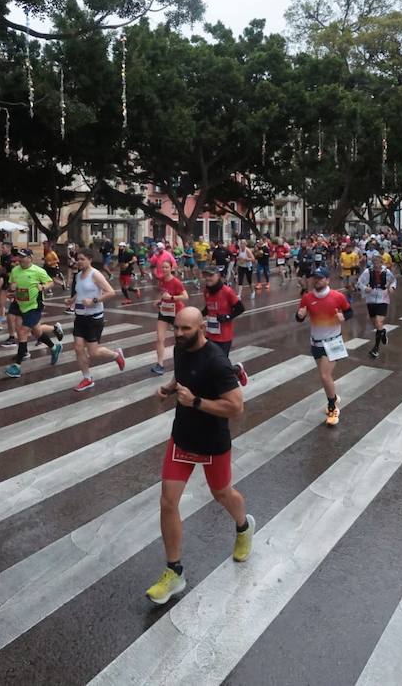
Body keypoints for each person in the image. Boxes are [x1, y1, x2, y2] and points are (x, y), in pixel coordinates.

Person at [146, 306, 254, 605]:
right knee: (168, 502)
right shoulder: (180, 349)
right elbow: (183, 377)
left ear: (202, 328)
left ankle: (244, 526)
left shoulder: (217, 362)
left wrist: (195, 402)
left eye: (186, 329)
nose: (179, 334)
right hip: (182, 437)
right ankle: (174, 571)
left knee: (222, 494)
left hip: (212, 442)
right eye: (176, 327)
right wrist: (169, 389)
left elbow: (236, 407)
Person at [296, 267, 353, 426]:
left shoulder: (337, 297)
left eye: (320, 278)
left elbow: (349, 312)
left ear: (327, 280)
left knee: (324, 375)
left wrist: (343, 316)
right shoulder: (307, 298)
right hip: (316, 343)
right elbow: (299, 316)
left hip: (333, 342)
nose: (317, 281)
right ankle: (333, 396)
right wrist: (300, 316)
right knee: (324, 377)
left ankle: (332, 407)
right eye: (315, 278)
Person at [67, 248, 126, 392]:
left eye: (82, 259)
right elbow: (80, 292)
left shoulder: (95, 274)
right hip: (80, 316)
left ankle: (116, 355)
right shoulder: (78, 275)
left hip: (94, 317)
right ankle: (87, 378)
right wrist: (72, 300)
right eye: (78, 259)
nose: (79, 262)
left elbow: (111, 292)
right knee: (78, 348)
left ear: (90, 260)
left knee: (93, 352)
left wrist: (94, 301)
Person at [3, 249, 64, 379]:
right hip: (19, 303)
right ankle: (54, 348)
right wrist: (12, 289)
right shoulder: (15, 270)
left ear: (30, 258)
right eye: (19, 257)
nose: (20, 259)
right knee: (36, 332)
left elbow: (51, 282)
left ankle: (17, 366)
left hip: (34, 306)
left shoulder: (38, 271)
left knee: (22, 332)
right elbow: (12, 284)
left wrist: (43, 287)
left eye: (23, 257)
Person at [200, 264, 250, 386]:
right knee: (208, 361)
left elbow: (240, 308)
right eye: (206, 275)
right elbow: (208, 308)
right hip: (210, 333)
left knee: (220, 365)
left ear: (218, 275)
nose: (208, 278)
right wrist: (197, 315)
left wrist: (227, 317)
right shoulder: (206, 291)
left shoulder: (227, 291)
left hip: (224, 336)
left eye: (211, 275)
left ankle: (237, 370)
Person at [151, 256, 188, 376]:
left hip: (176, 312)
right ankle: (160, 364)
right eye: (163, 267)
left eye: (166, 267)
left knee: (180, 339)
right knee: (160, 338)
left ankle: (186, 361)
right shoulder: (161, 280)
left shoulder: (176, 282)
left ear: (171, 268)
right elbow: (162, 293)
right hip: (164, 312)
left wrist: (172, 297)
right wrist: (159, 301)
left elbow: (185, 296)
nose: (164, 269)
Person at [356, 256, 395, 359]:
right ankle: (383, 332)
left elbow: (393, 281)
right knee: (376, 324)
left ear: (382, 263)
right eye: (375, 262)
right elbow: (359, 282)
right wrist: (365, 288)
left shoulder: (387, 272)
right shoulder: (367, 272)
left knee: (378, 322)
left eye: (378, 262)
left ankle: (376, 348)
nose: (377, 265)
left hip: (383, 299)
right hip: (371, 299)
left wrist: (392, 287)